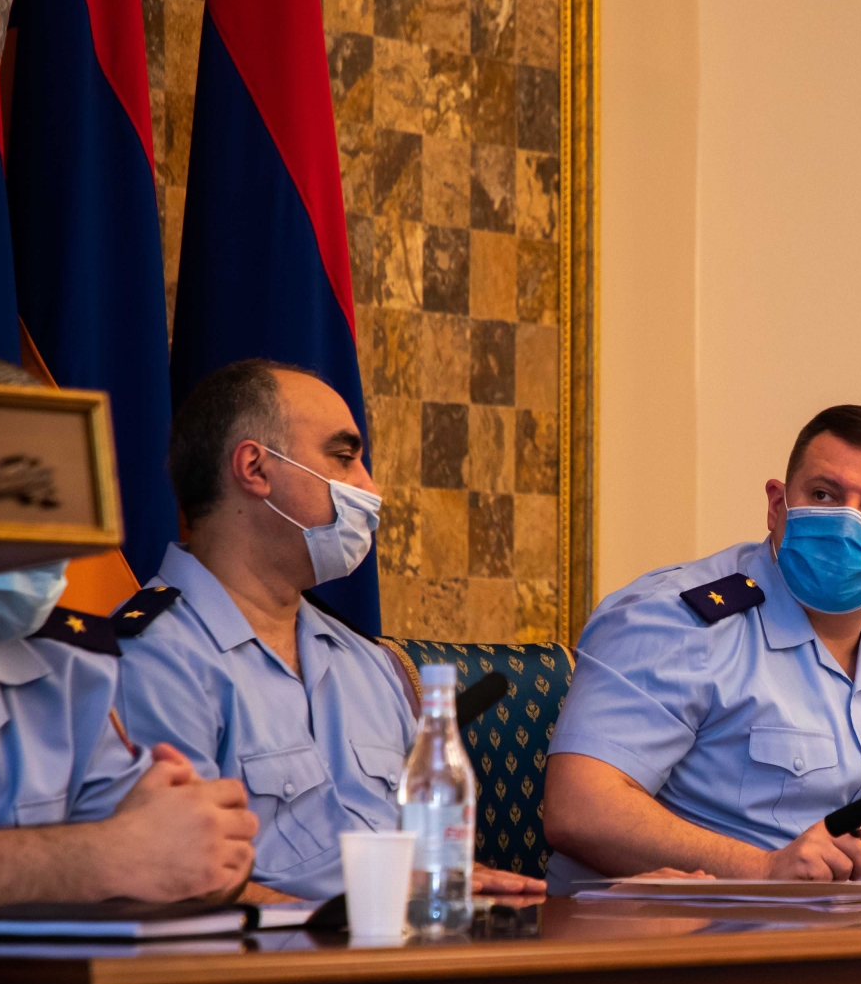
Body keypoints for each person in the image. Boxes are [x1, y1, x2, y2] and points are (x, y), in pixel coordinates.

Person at [544, 405, 861, 890]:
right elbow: (581, 809)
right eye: (824, 495)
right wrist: (764, 870)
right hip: (707, 931)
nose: (846, 524)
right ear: (777, 506)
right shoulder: (674, 621)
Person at [115, 358, 545, 900]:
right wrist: (366, 910)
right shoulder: (152, 656)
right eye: (344, 458)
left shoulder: (366, 663)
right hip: (273, 950)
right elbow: (175, 882)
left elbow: (418, 853)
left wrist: (456, 883)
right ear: (255, 468)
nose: (370, 487)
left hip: (401, 942)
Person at [0, 350, 258, 909]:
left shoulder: (70, 668)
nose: (53, 538)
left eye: (60, 504)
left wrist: (201, 838)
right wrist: (95, 857)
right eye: (17, 499)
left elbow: (171, 854)